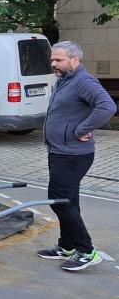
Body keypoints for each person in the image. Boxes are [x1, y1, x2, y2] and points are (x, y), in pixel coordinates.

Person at [37, 41, 116, 271]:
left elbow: (107, 106)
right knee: (68, 201)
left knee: (59, 199)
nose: (54, 63)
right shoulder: (65, 80)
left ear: (75, 60)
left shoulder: (83, 81)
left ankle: (87, 250)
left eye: (58, 60)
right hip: (59, 151)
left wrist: (81, 130)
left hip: (73, 154)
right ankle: (67, 245)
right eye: (53, 59)